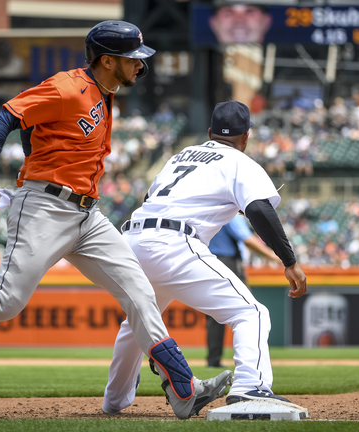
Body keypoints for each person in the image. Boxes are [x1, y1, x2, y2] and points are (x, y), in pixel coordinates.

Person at [0, 20, 231, 420]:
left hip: (88, 215)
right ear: (107, 61)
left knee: (141, 294)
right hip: (44, 209)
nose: (141, 66)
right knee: (4, 305)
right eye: (132, 59)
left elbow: (38, 133)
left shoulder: (105, 93)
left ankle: (183, 389)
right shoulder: (66, 87)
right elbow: (6, 116)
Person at [102, 100, 308, 415]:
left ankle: (114, 400)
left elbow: (150, 198)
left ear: (210, 132)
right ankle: (250, 386)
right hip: (172, 243)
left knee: (140, 321)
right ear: (247, 136)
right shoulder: (239, 161)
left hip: (131, 239)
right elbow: (259, 210)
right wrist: (289, 261)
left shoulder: (179, 156)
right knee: (251, 312)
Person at [205, 215, 282, 368]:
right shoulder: (229, 213)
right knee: (251, 310)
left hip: (211, 260)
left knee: (215, 314)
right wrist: (276, 256)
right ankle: (250, 361)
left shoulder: (212, 209)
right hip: (227, 262)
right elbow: (246, 238)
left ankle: (214, 360)